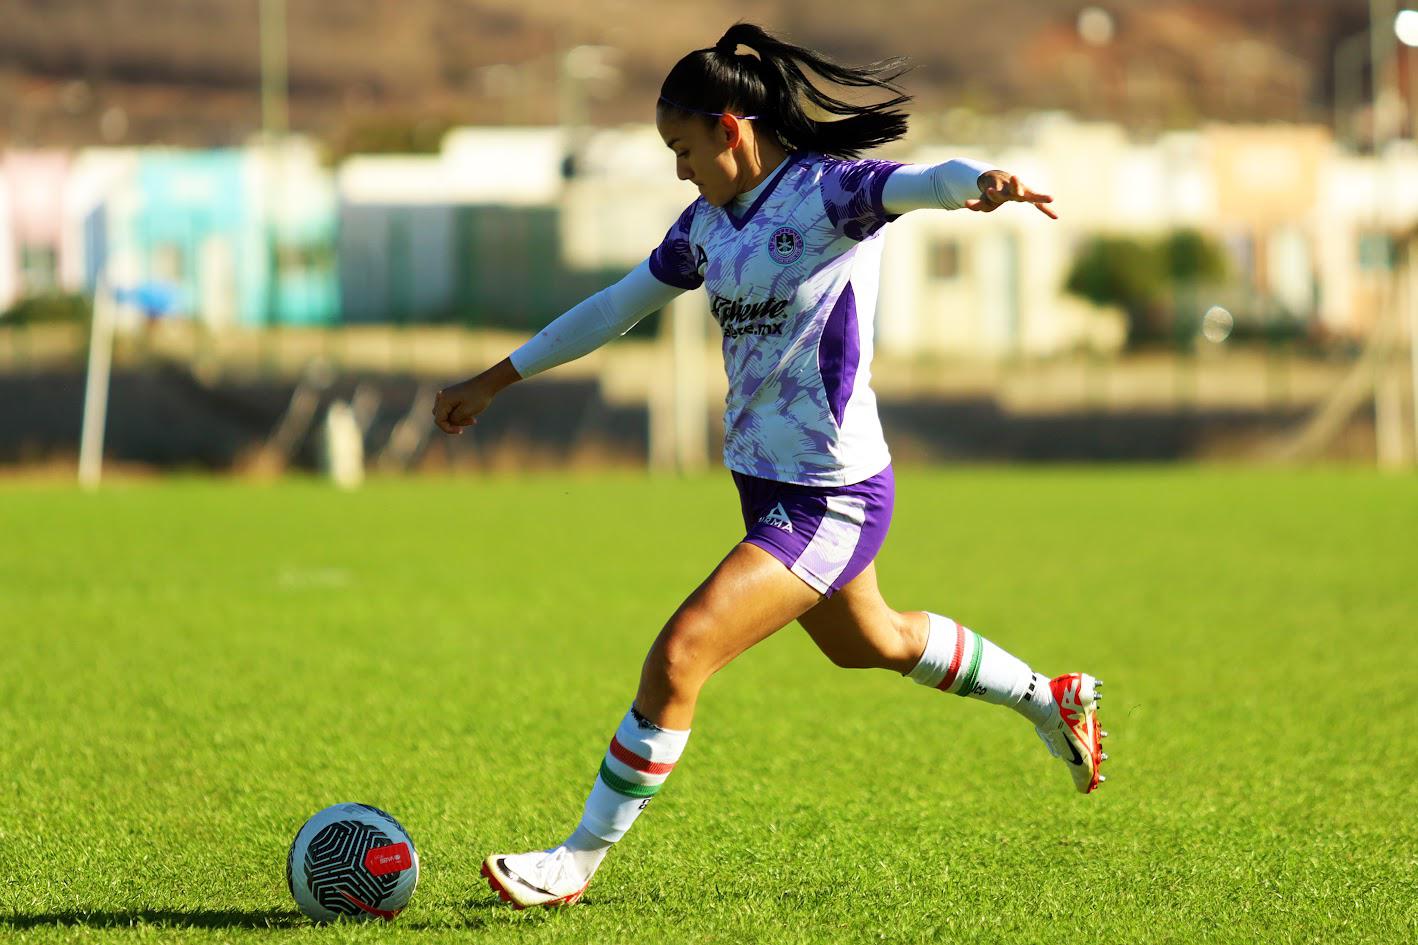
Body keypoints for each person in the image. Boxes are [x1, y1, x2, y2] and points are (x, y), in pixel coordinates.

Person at [432, 23, 1106, 910]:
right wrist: (495, 379)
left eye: (683, 148)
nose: (679, 168)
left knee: (679, 658)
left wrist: (978, 184)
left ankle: (574, 861)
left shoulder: (830, 194)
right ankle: (1047, 696)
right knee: (874, 642)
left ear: (730, 128)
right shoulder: (706, 225)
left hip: (832, 493)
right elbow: (611, 308)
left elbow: (918, 183)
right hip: (765, 485)